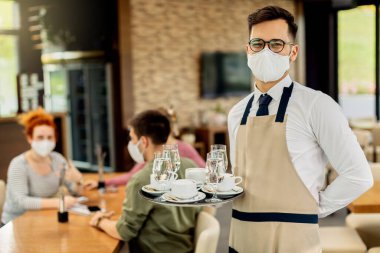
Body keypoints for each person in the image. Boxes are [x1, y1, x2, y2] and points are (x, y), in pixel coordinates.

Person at [227, 6, 373, 253]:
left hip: (294, 241)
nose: (265, 51)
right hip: (243, 237)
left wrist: (312, 208)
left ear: (293, 52)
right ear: (247, 50)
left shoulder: (317, 106)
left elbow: (358, 176)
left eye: (276, 44)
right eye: (258, 43)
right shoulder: (236, 114)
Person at [89, 110, 200, 253]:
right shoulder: (190, 166)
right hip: (184, 247)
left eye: (132, 139)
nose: (131, 144)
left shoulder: (141, 179)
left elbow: (124, 232)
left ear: (144, 141)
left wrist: (100, 221)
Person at [85, 107, 205, 189]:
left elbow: (206, 173)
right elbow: (133, 175)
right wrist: (104, 183)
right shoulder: (153, 156)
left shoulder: (182, 150)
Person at [1, 108, 83, 225]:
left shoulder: (57, 159)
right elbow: (22, 201)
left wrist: (78, 181)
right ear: (30, 138)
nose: (46, 141)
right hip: (15, 223)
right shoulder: (18, 164)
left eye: (50, 137)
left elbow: (74, 191)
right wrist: (59, 202)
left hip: (42, 219)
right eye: (40, 137)